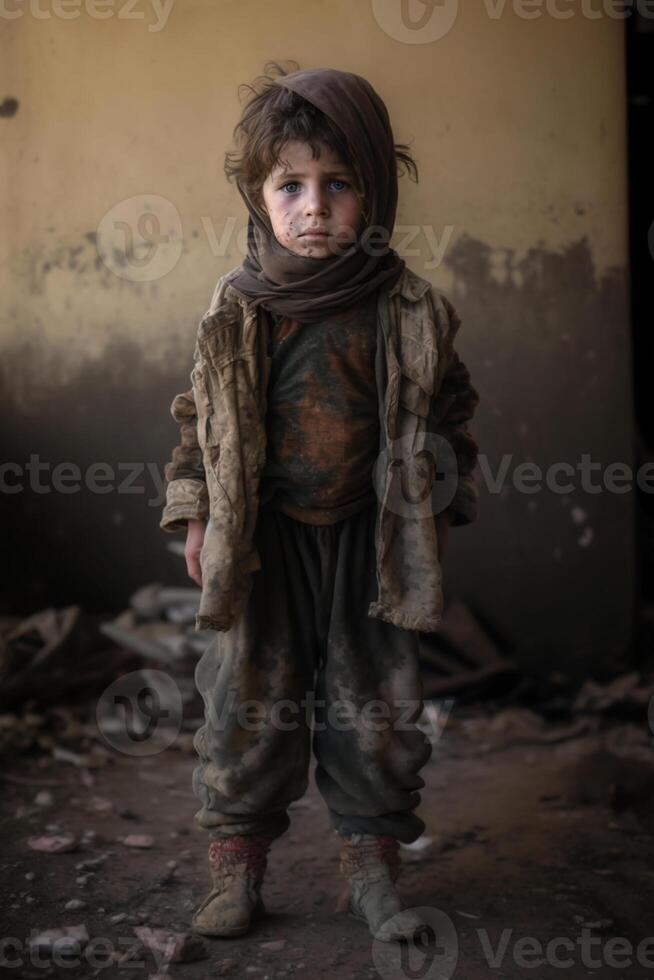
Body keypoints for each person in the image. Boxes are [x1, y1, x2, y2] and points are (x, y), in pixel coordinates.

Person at [160, 61, 480, 943]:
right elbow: (197, 418)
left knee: (374, 710)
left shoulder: (408, 308)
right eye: (290, 185)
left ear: (373, 188)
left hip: (368, 544)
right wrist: (195, 512)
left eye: (338, 184)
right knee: (246, 705)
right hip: (263, 543)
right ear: (258, 196)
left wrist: (439, 502)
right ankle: (237, 873)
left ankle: (371, 874)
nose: (313, 206)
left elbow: (452, 410)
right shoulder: (237, 307)